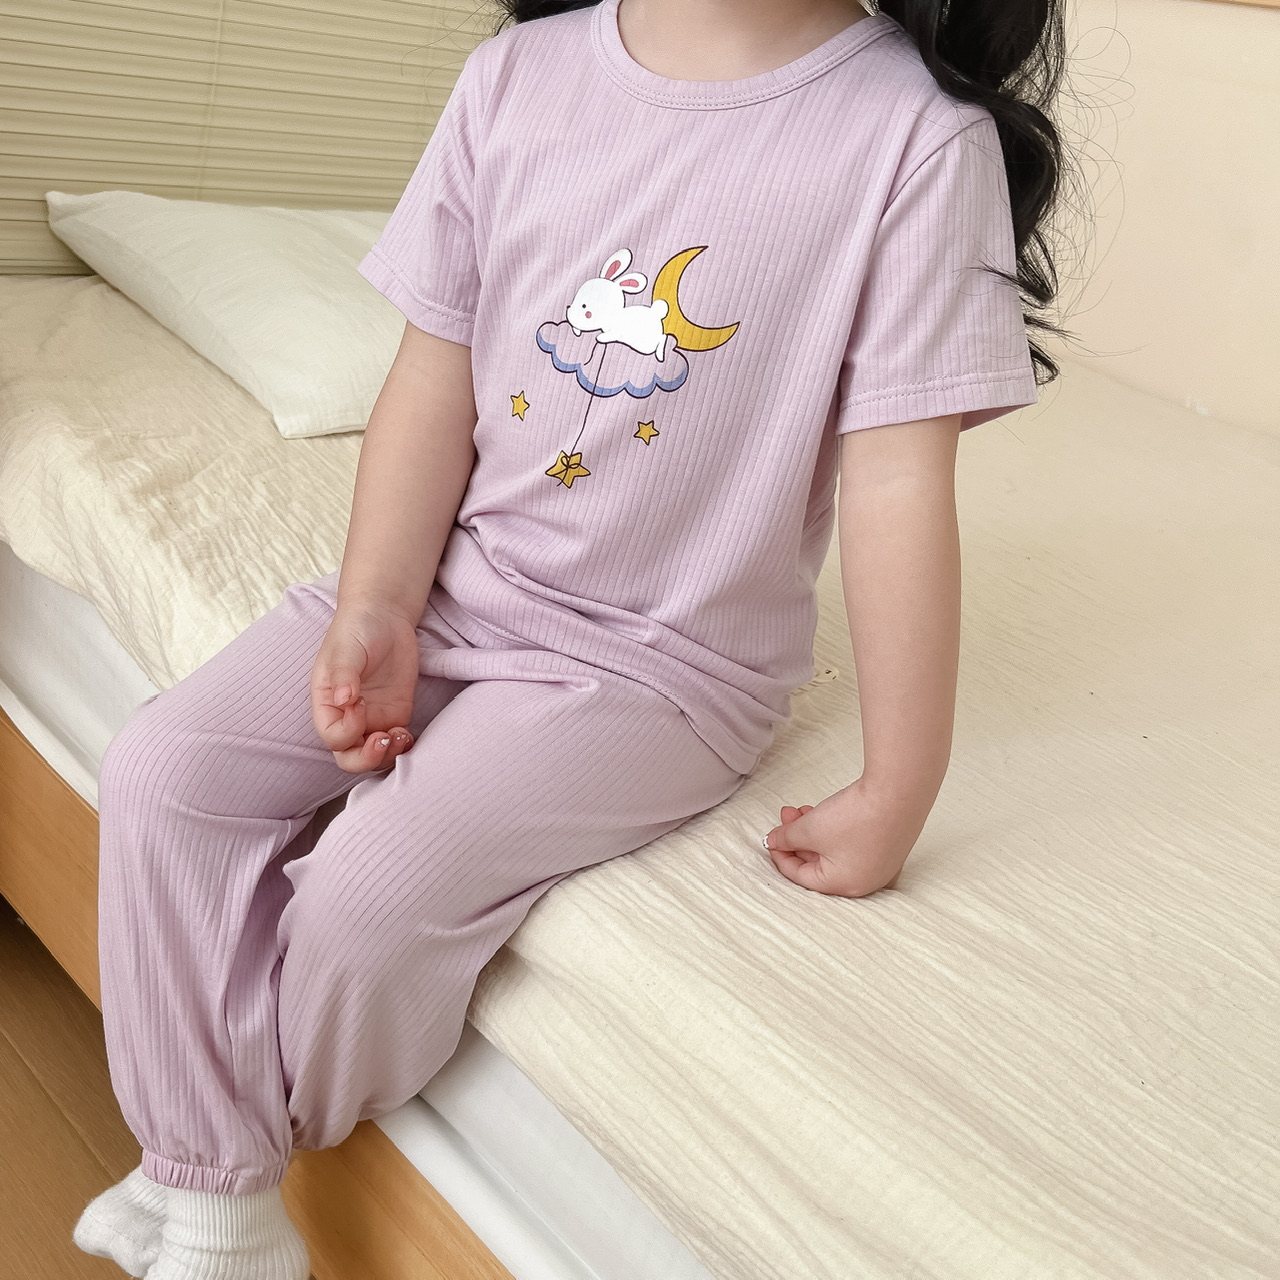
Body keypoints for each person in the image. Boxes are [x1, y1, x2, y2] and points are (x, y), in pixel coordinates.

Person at [73, 0, 1071, 1275]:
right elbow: (433, 374)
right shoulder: (516, 77)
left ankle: (212, 1187)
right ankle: (205, 1175)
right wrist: (376, 602)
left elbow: (896, 479)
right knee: (162, 768)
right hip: (450, 585)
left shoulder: (916, 140)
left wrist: (900, 779)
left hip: (658, 667)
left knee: (368, 895)